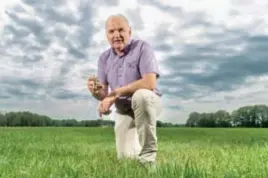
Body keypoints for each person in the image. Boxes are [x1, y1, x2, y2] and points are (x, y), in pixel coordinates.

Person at [87, 14, 163, 167]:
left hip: (148, 103)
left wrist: (117, 93)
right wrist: (96, 92)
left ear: (129, 31)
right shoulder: (104, 58)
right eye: (111, 31)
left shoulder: (142, 47)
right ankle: (137, 153)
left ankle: (148, 160)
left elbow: (150, 82)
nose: (116, 35)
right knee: (125, 160)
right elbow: (104, 93)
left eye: (121, 30)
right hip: (123, 111)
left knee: (141, 96)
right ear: (106, 35)